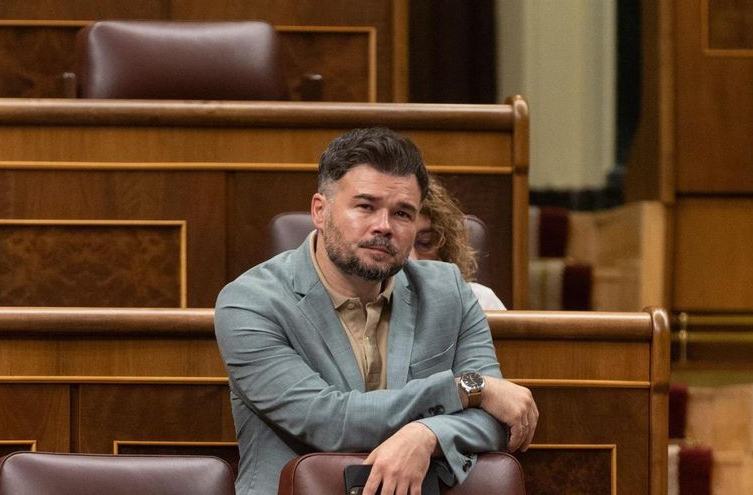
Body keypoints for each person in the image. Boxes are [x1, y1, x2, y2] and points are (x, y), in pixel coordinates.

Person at [215, 127, 538, 495]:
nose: (384, 226)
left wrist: (425, 434)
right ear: (320, 211)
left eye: (402, 213)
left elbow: (497, 416)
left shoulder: (448, 291)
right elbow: (328, 420)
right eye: (365, 206)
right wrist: (462, 390)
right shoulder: (251, 302)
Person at [409, 178, 506, 310]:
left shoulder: (478, 301)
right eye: (400, 246)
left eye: (425, 242)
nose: (412, 259)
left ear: (445, 247)